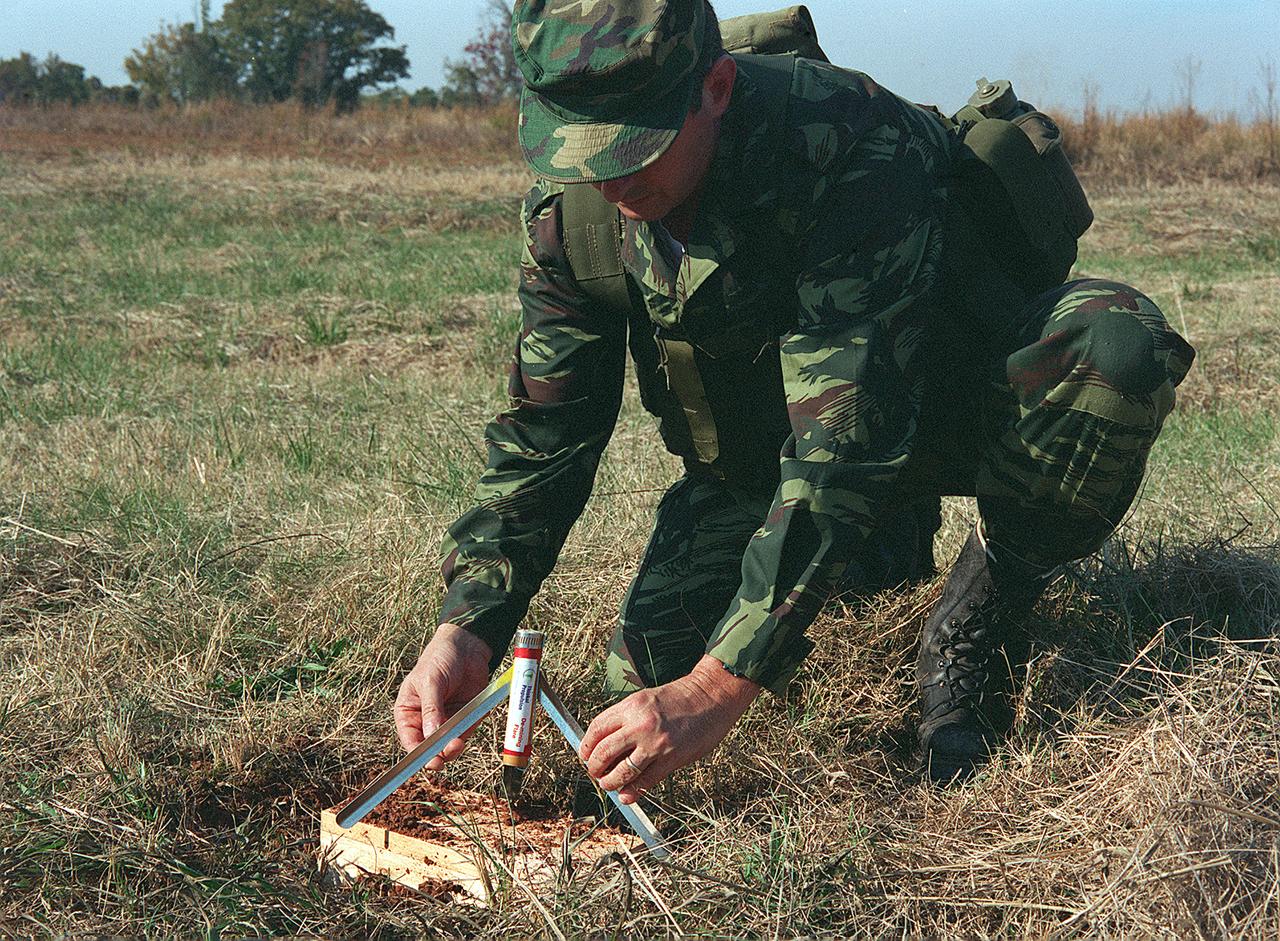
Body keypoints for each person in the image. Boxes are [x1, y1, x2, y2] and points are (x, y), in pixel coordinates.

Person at [394, 0, 1195, 792]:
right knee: (634, 685)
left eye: (631, 145)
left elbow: (848, 439)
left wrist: (715, 692)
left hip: (932, 415)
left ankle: (990, 600)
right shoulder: (571, 212)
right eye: (576, 150)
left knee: (1115, 346)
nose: (604, 177)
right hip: (758, 467)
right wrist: (469, 622)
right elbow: (548, 426)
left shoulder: (852, 147)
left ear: (715, 87)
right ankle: (879, 547)